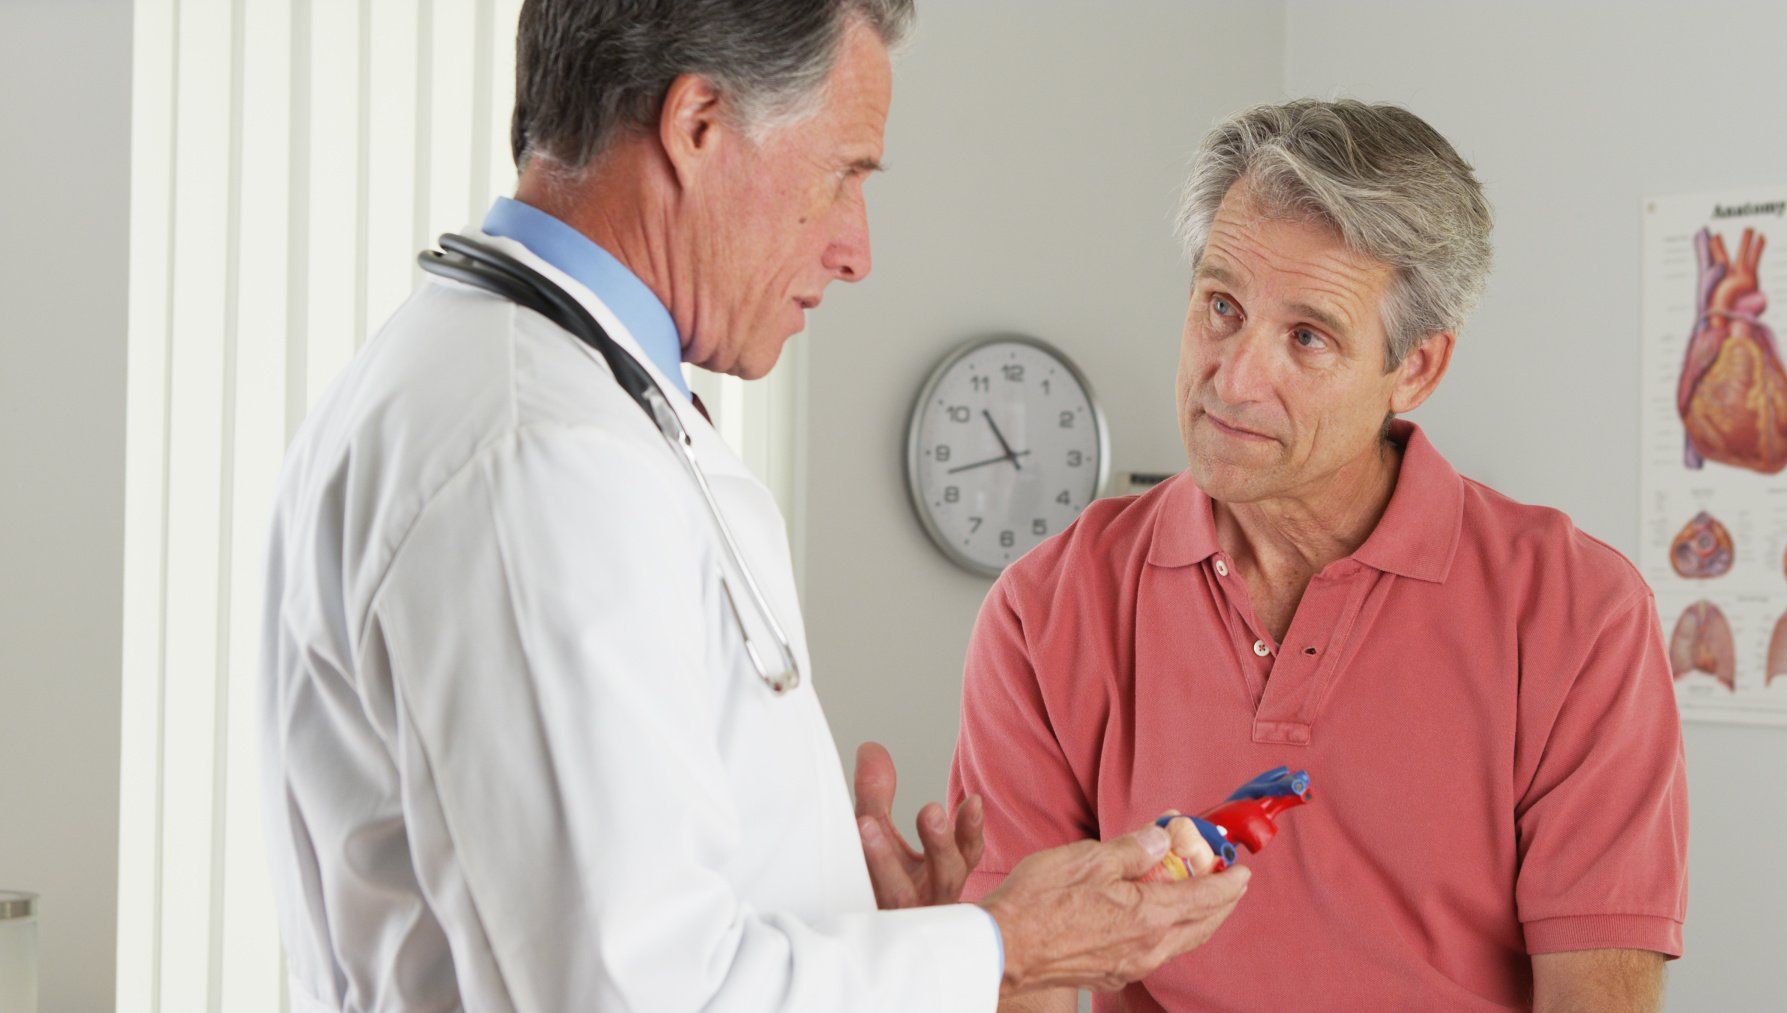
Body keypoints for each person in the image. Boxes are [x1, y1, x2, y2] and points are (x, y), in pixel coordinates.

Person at [257, 2, 1246, 1009]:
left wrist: (879, 941)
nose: (857, 248)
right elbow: (631, 991)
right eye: (845, 174)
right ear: (698, 126)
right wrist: (999, 949)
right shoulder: (538, 459)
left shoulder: (554, 402)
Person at [950, 99, 1689, 1012]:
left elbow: (1599, 997)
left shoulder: (1579, 612)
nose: (1234, 375)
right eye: (1221, 307)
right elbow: (1026, 982)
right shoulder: (1046, 608)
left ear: (1414, 368)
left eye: (1307, 337)